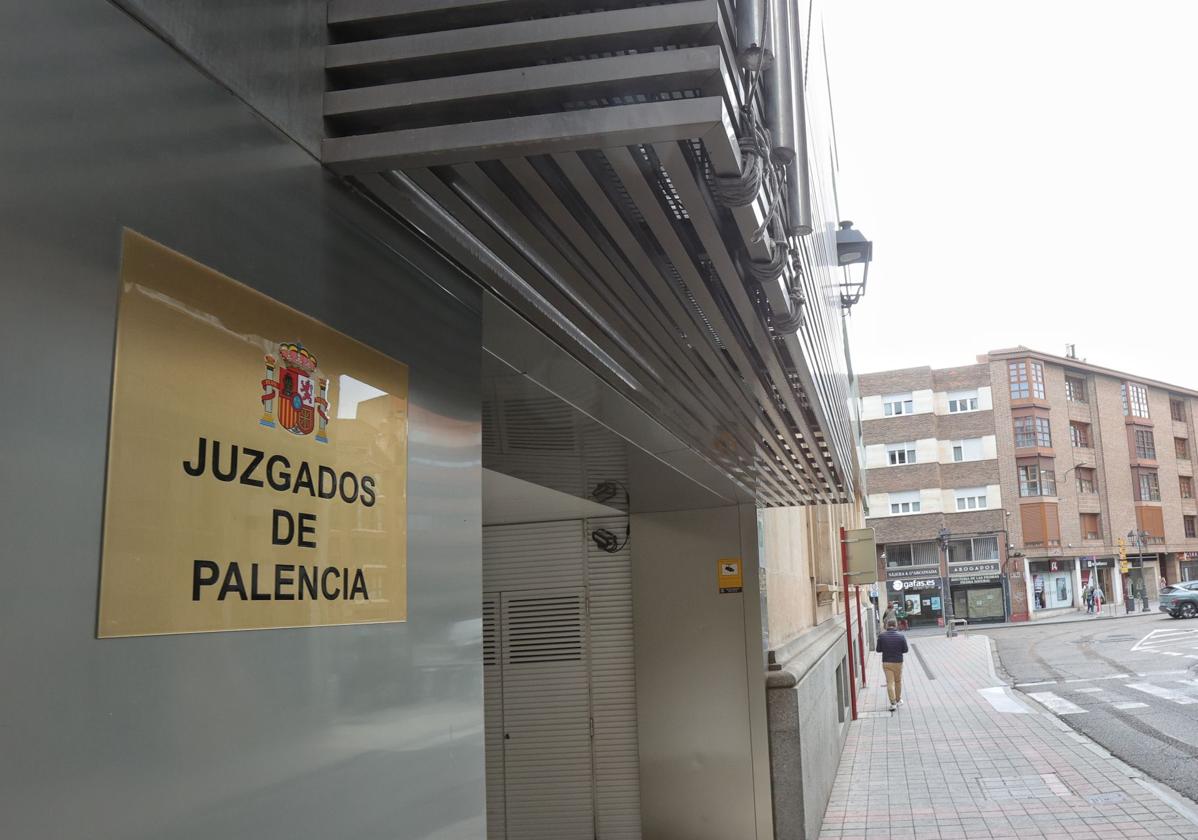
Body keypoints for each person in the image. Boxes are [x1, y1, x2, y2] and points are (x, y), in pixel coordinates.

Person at [876, 619, 909, 711]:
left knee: (890, 682)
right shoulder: (901, 636)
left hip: (887, 662)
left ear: (887, 625)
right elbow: (905, 650)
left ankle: (893, 703)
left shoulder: (881, 636)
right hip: (898, 662)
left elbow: (878, 650)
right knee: (898, 681)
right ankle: (898, 699)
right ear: (895, 625)